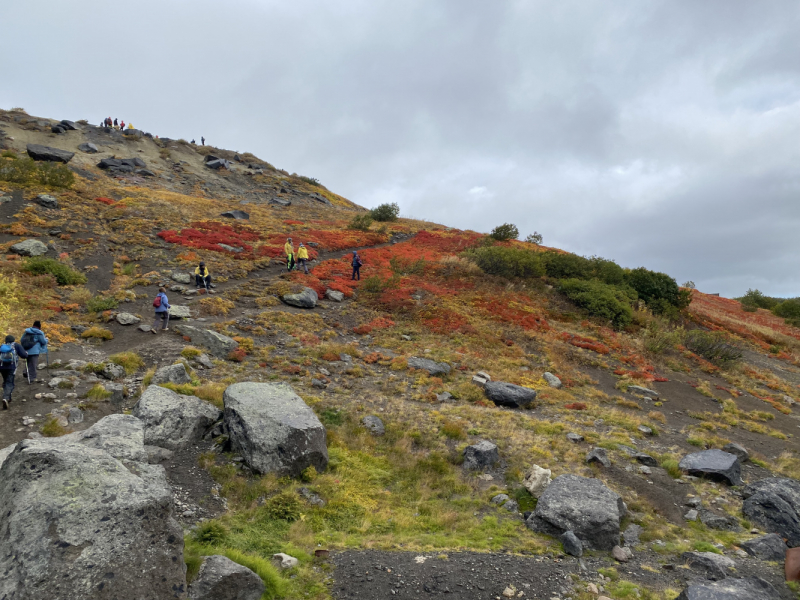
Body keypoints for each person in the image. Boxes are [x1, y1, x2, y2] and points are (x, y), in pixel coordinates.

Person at [0, 335, 27, 409]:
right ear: (13, 340)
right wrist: (26, 354)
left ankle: (8, 397)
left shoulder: (2, 346)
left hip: (2, 367)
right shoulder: (16, 345)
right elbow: (24, 355)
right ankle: (6, 398)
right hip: (11, 367)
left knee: (6, 380)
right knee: (10, 382)